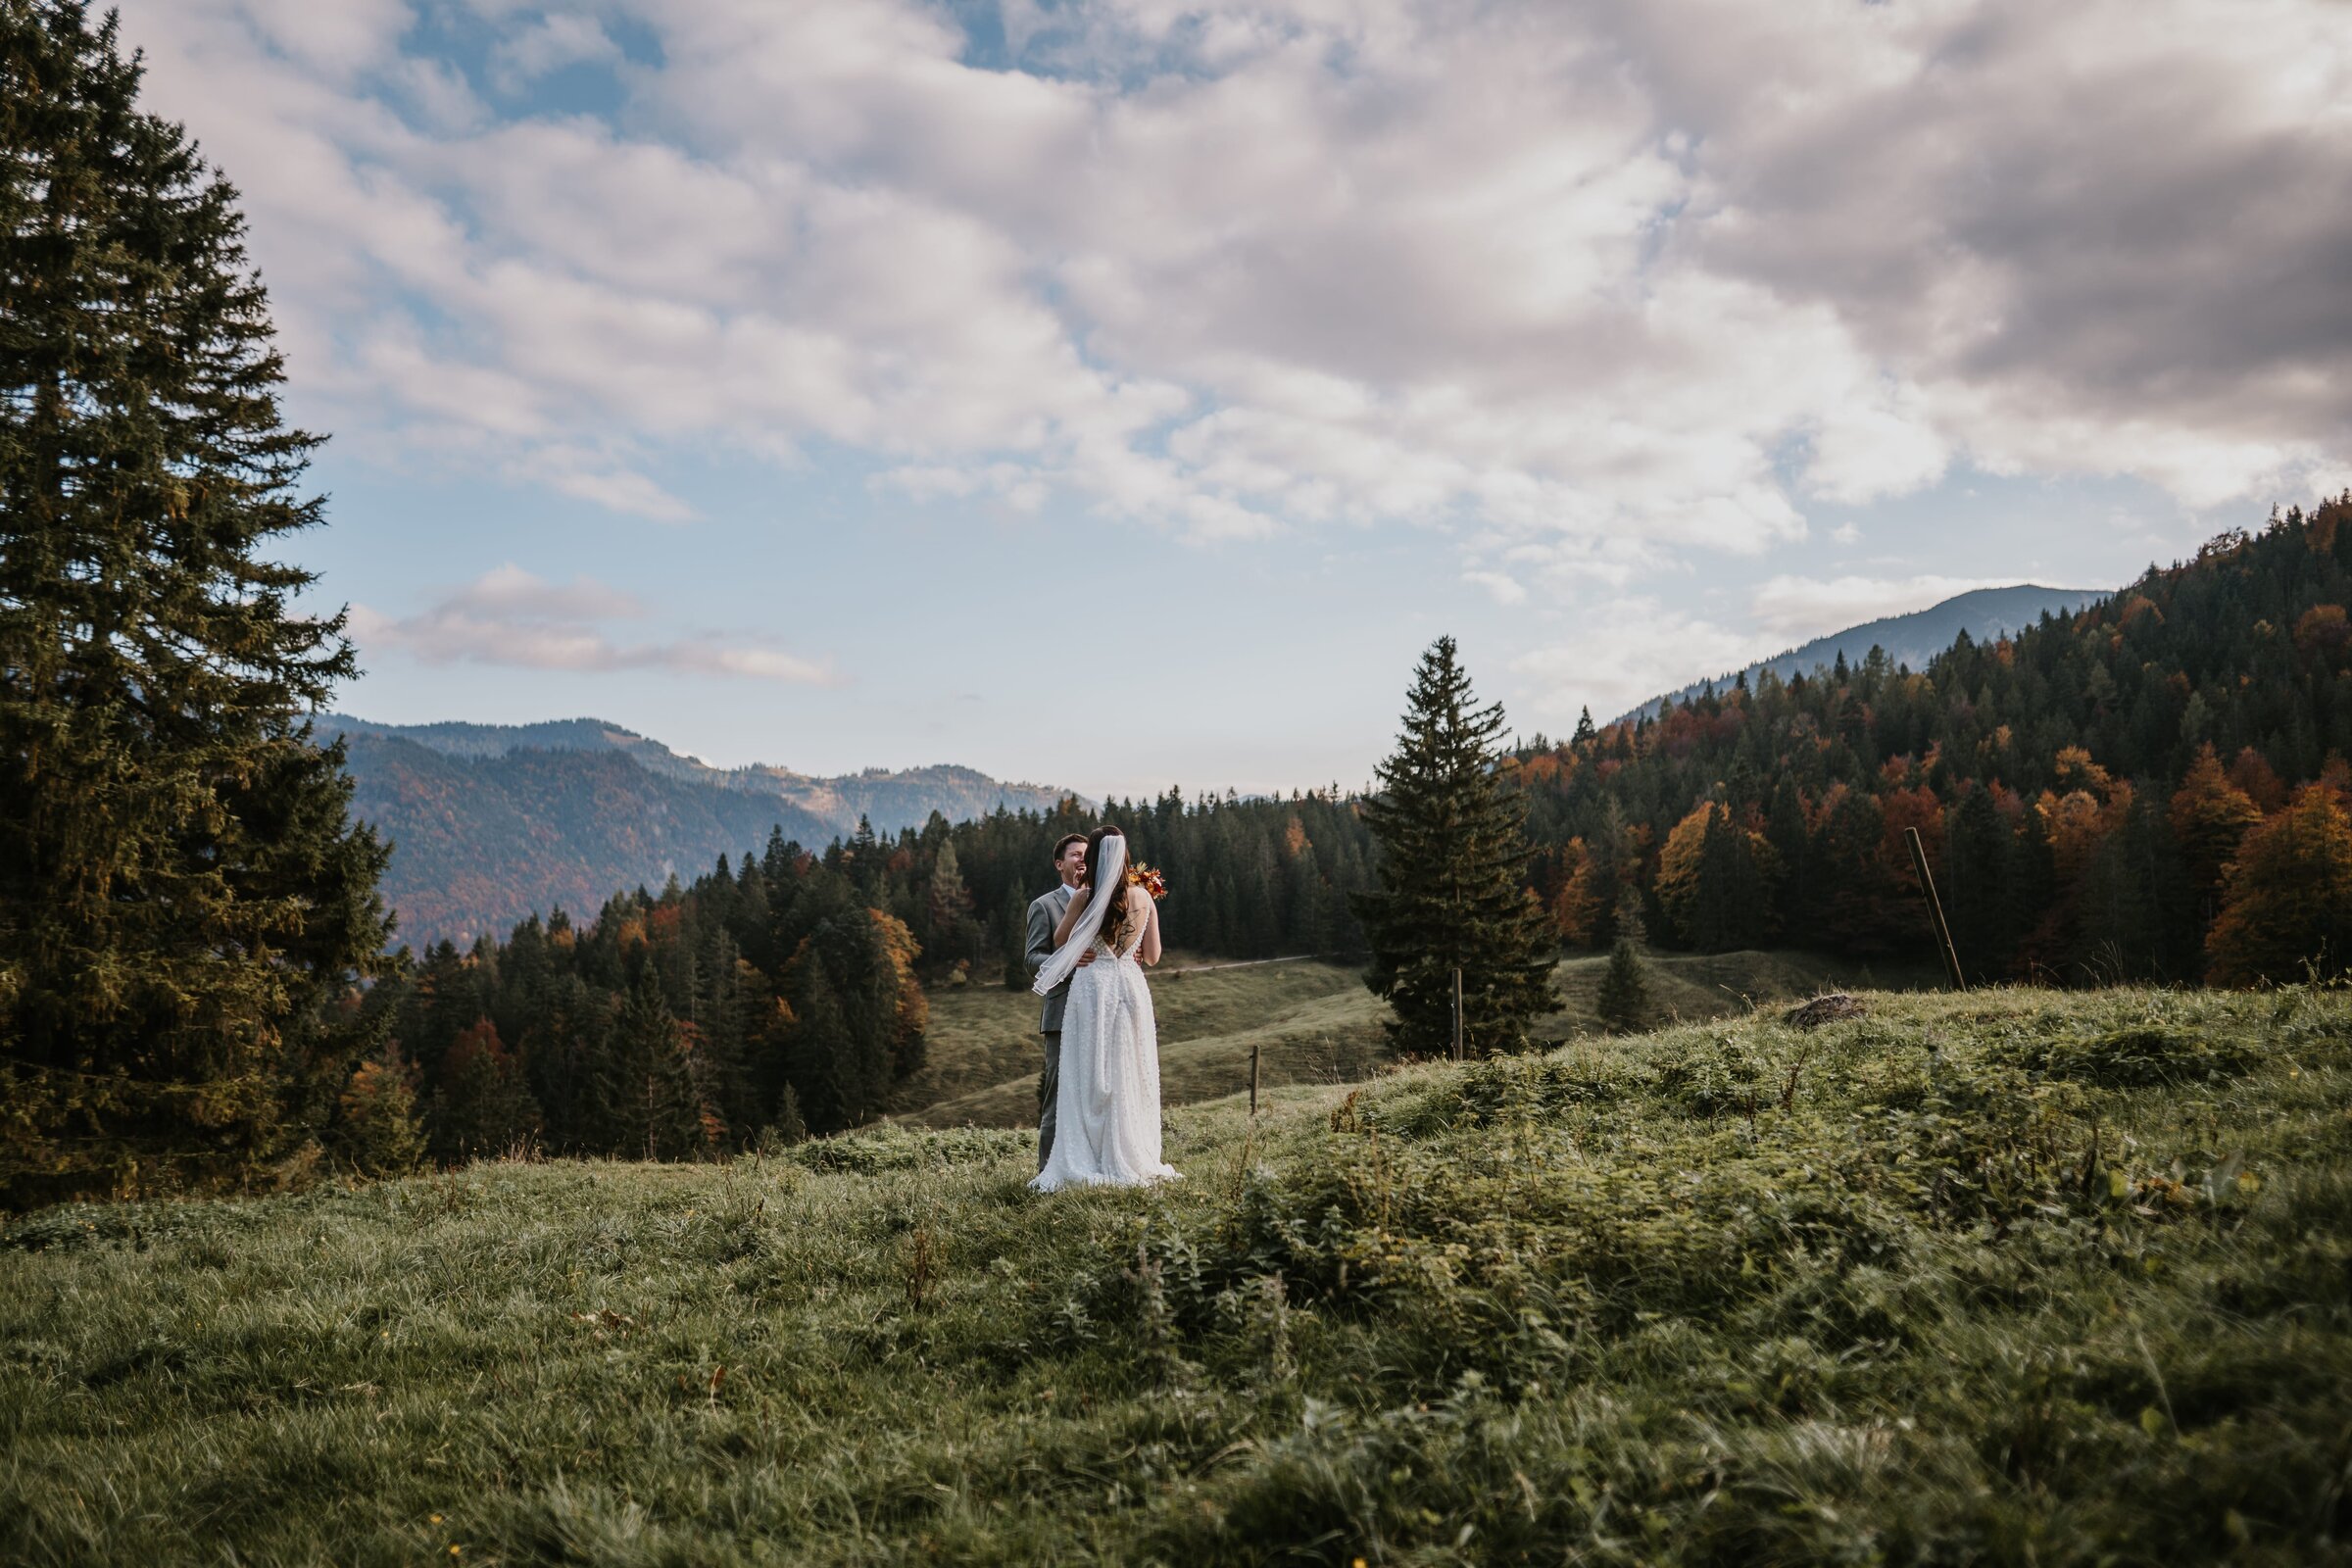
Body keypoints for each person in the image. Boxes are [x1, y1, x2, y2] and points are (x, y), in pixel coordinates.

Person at [1030, 825, 1178, 1192]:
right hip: (1130, 988)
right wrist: (1133, 951)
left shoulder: (1084, 897)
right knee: (1128, 1071)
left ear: (1094, 857)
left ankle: (1087, 1157)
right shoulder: (1145, 898)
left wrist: (1083, 943)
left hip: (1094, 990)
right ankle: (1130, 1153)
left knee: (1090, 1076)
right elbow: (1155, 957)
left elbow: (1061, 940)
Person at [1023, 833, 1094, 1172]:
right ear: (1059, 863)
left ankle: (1085, 1167)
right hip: (1062, 1013)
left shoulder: (1100, 901)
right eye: (1076, 854)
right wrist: (1068, 960)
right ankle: (1046, 1173)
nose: (1082, 859)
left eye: (1087, 855)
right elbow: (1032, 958)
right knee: (1057, 1096)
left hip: (1098, 1009)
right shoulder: (1044, 905)